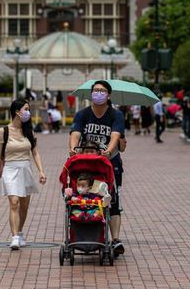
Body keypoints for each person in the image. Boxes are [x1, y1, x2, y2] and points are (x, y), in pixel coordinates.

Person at [69, 80, 127, 258]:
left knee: (112, 201)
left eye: (102, 91)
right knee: (83, 197)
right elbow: (75, 134)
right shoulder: (82, 115)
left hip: (109, 163)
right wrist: (72, 149)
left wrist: (108, 152)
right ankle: (85, 235)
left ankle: (115, 239)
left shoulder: (115, 115)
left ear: (108, 95)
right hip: (86, 162)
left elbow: (116, 136)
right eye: (95, 90)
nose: (98, 93)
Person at [0, 99, 47, 250]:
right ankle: (14, 237)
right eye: (26, 109)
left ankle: (19, 232)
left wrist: (41, 171)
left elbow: (35, 153)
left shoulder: (29, 132)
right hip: (10, 169)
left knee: (24, 206)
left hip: (25, 169)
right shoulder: (3, 132)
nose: (28, 112)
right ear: (17, 112)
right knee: (14, 202)